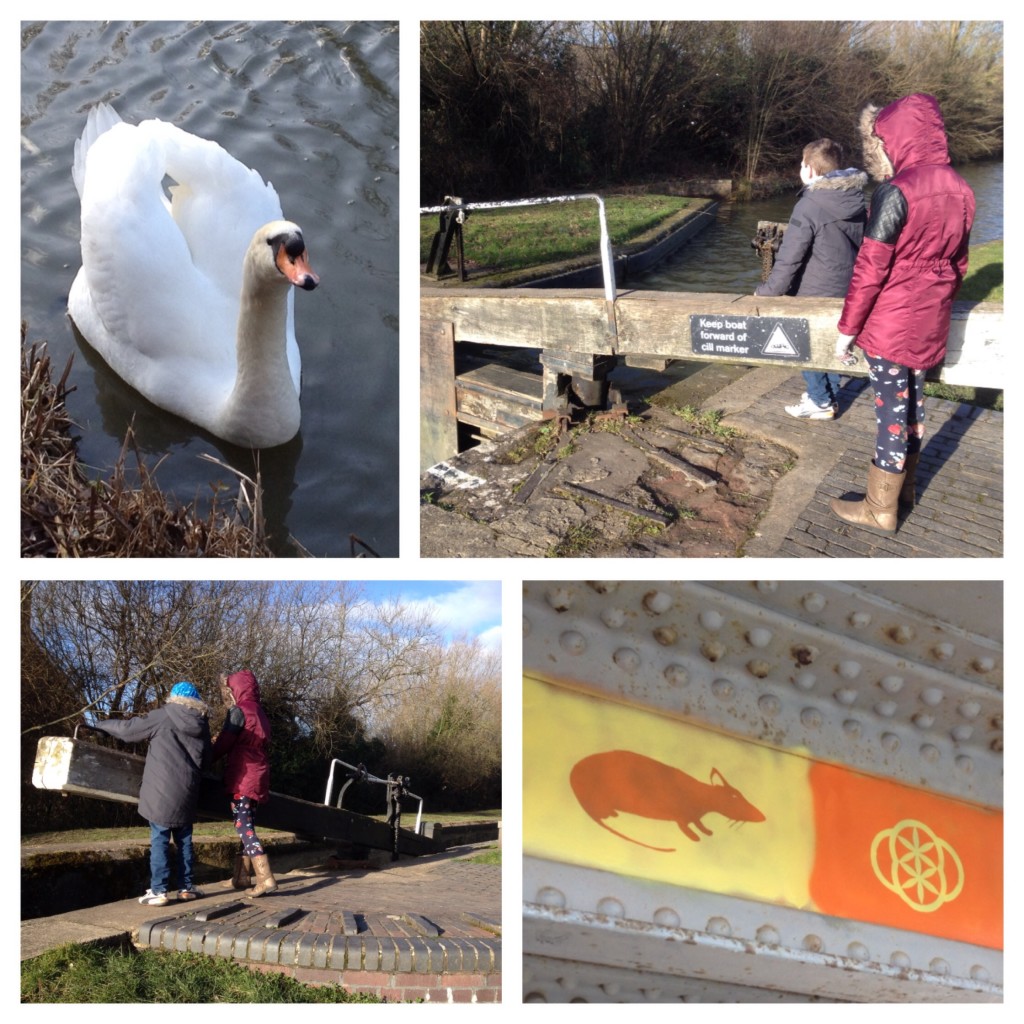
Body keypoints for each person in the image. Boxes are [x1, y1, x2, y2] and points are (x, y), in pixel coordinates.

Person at [832, 94, 975, 534]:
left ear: (895, 138)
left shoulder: (897, 191)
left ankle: (879, 508)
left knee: (890, 413)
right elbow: (960, 266)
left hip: (891, 321)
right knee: (914, 407)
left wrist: (847, 329)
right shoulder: (961, 188)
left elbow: (869, 268)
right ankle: (904, 491)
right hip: (929, 320)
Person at [756, 138, 867, 419]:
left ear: (810, 169)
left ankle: (819, 401)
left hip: (813, 288)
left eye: (802, 164)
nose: (800, 169)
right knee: (830, 342)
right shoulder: (855, 198)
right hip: (846, 287)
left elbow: (790, 257)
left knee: (806, 346)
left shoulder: (810, 205)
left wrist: (769, 291)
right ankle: (828, 396)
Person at [89, 682, 212, 905]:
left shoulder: (164, 716)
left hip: (161, 791)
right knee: (185, 840)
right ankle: (186, 888)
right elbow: (207, 761)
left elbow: (128, 731)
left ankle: (158, 891)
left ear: (173, 698)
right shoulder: (202, 724)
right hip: (188, 790)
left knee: (160, 839)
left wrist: (101, 724)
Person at [211, 670, 277, 896]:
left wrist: (208, 755)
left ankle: (266, 878)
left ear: (236, 689)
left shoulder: (239, 711)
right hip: (258, 773)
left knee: (243, 826)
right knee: (247, 824)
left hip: (243, 774)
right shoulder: (260, 713)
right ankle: (241, 877)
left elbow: (225, 743)